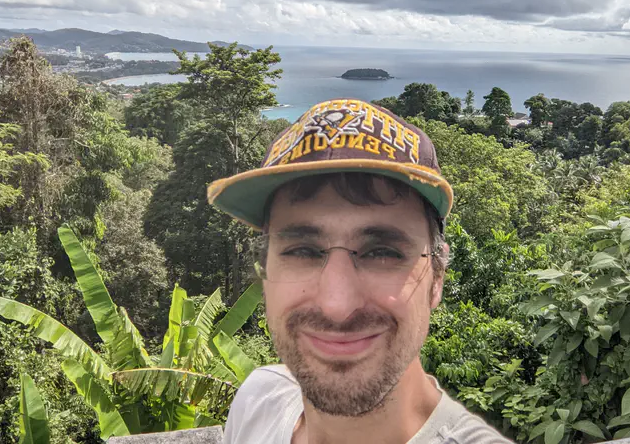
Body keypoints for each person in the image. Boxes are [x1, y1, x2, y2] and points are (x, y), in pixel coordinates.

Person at [210, 98, 513, 444]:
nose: (337, 305)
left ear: (437, 277)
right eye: (303, 251)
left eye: (382, 253)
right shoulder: (258, 403)